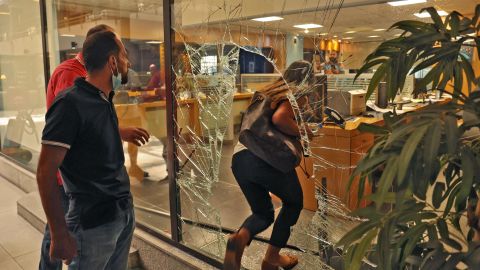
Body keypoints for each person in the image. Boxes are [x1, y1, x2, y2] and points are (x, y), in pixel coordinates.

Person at [39, 25, 149, 270]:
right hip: (93, 223)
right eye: (123, 55)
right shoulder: (70, 103)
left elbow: (91, 135)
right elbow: (45, 172)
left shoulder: (102, 99)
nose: (127, 63)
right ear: (112, 62)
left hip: (120, 214)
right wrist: (59, 234)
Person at [224, 60, 314, 270]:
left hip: (240, 158)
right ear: (307, 79)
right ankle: (272, 258)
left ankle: (239, 238)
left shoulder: (266, 91)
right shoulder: (293, 92)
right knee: (294, 203)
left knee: (263, 213)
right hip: (265, 158)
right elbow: (280, 118)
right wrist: (304, 132)